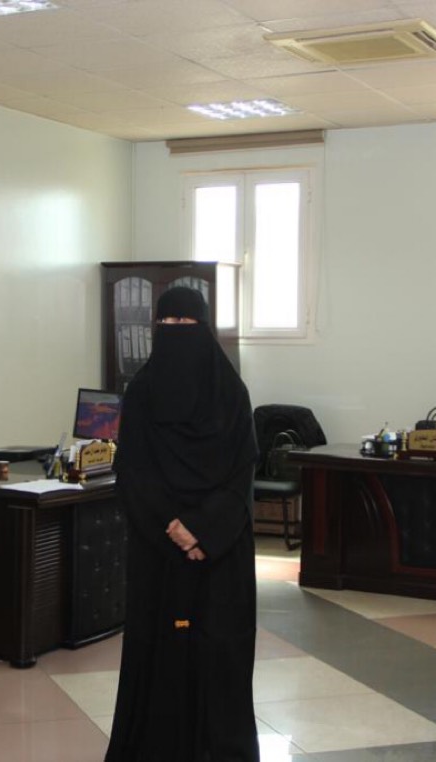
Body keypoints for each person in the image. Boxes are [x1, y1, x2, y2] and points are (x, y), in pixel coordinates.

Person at [106, 286, 260, 761]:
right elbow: (134, 472)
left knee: (219, 653)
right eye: (166, 324)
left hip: (220, 552)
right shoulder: (142, 392)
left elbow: (241, 474)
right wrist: (173, 527)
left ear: (204, 328)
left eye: (185, 324)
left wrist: (203, 531)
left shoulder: (231, 393)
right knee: (159, 653)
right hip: (160, 550)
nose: (175, 332)